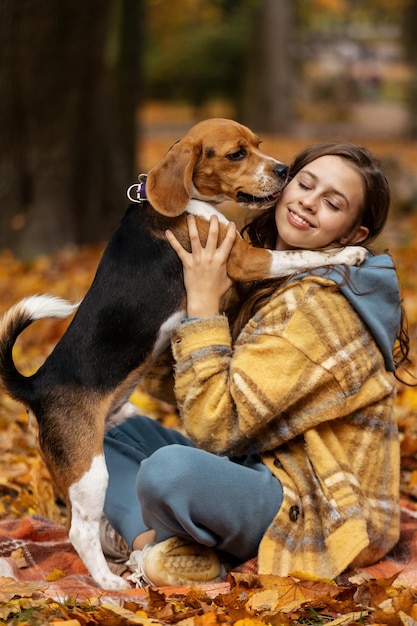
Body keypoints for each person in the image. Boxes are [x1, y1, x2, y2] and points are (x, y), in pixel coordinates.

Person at [100, 141, 410, 587]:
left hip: (316, 503)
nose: (308, 201)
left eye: (333, 203)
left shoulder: (319, 307)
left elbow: (214, 427)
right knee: (98, 430)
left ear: (352, 236)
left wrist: (204, 306)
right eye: (304, 184)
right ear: (283, 187)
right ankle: (172, 546)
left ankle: (150, 541)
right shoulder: (266, 273)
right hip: (252, 466)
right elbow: (177, 388)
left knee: (169, 472)